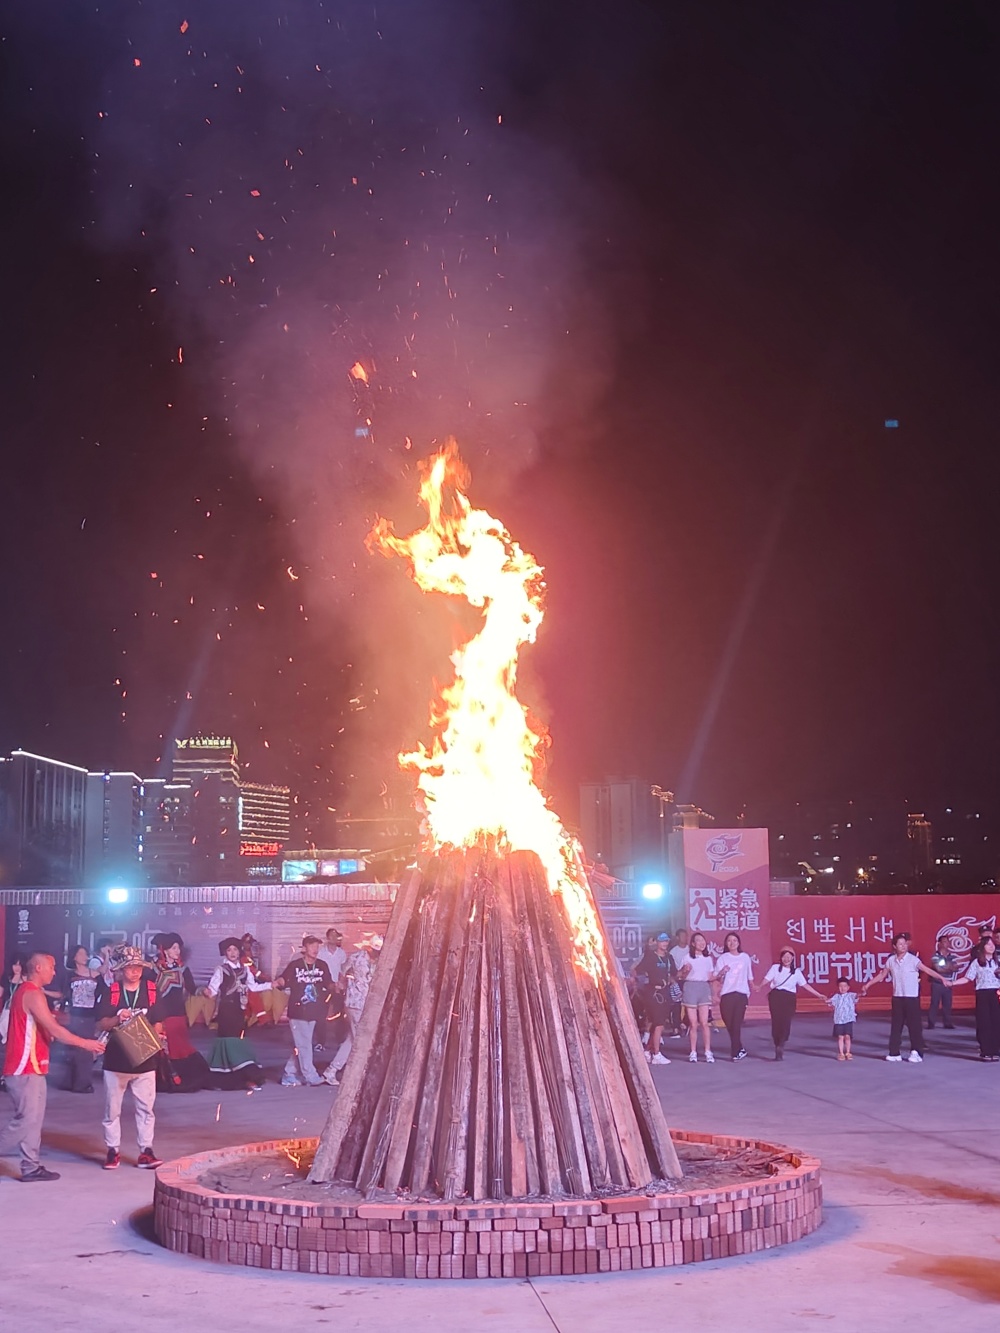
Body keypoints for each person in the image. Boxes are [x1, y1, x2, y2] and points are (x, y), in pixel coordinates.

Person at [0, 953, 104, 1181]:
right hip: (23, 1067)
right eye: (51, 967)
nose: (54, 972)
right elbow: (55, 1029)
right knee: (26, 1119)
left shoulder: (30, 993)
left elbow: (45, 1028)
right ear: (38, 968)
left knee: (33, 1120)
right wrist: (86, 1043)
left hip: (33, 1067)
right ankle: (28, 1164)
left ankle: (30, 1166)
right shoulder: (31, 993)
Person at [96, 945, 166, 1170]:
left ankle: (146, 1151)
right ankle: (112, 1150)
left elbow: (158, 1020)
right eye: (129, 968)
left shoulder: (151, 990)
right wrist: (118, 1017)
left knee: (146, 1108)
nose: (135, 971)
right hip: (116, 1061)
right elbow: (101, 1023)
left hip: (145, 1061)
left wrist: (157, 1036)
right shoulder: (112, 991)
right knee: (112, 1109)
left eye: (138, 967)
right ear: (120, 970)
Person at [862, 933, 947, 1063]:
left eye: (905, 943)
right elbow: (882, 975)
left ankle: (916, 1052)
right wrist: (868, 985)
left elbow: (927, 970)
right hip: (897, 997)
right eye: (900, 944)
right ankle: (894, 1052)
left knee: (914, 1026)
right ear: (894, 946)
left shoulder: (913, 959)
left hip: (911, 997)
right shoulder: (891, 960)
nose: (903, 946)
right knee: (896, 1026)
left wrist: (941, 978)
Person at [203, 938, 272, 1089]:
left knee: (239, 1041)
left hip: (240, 1012)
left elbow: (253, 987)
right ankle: (227, 1079)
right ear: (225, 953)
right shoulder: (221, 969)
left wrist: (271, 985)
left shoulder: (245, 969)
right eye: (229, 950)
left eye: (235, 950)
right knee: (229, 1041)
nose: (233, 953)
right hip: (226, 1011)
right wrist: (207, 992)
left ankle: (244, 1077)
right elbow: (213, 989)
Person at [149, 933, 210, 1092]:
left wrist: (203, 991)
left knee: (180, 1046)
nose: (177, 951)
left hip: (178, 1015)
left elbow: (192, 988)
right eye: (174, 948)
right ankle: (162, 1080)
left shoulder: (182, 969)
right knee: (162, 1048)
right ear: (165, 950)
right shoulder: (152, 969)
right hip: (160, 1016)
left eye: (178, 948)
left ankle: (183, 1079)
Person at [323, 933, 382, 1085]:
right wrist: (341, 986)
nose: (375, 954)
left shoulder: (381, 960)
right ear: (368, 947)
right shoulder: (356, 957)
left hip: (368, 1005)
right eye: (374, 950)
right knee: (360, 1041)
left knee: (352, 1039)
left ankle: (332, 1070)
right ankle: (357, 1075)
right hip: (355, 1004)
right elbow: (342, 973)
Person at [275, 935, 333, 1087]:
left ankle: (289, 1074)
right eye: (312, 945)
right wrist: (275, 983)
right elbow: (283, 980)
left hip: (315, 1010)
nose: (315, 949)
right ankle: (310, 1075)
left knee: (302, 1044)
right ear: (304, 948)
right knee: (304, 1044)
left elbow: (329, 983)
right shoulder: (295, 965)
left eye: (317, 946)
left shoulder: (322, 965)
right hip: (298, 1011)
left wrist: (339, 986)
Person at [760, 947, 828, 1059]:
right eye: (784, 956)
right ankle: (777, 1043)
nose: (786, 959)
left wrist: (818, 994)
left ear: (792, 958)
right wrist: (759, 986)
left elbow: (805, 985)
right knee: (776, 1021)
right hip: (776, 996)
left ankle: (781, 1043)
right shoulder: (775, 968)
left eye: (789, 957)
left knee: (786, 1022)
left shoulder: (796, 972)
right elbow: (766, 979)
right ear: (781, 958)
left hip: (789, 998)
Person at [949, 935, 1000, 1060]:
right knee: (984, 1022)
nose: (991, 946)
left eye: (993, 944)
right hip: (982, 993)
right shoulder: (977, 963)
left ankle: (995, 1049)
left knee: (996, 1021)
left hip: (996, 993)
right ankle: (986, 1050)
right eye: (988, 944)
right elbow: (968, 978)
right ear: (982, 947)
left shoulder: (997, 961)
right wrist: (952, 983)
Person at [58, 945, 101, 1092]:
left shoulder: (94, 974)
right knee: (73, 1048)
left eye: (85, 954)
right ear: (74, 957)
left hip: (89, 1015)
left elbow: (103, 992)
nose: (85, 956)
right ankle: (69, 1082)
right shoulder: (69, 976)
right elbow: (64, 995)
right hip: (74, 1015)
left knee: (87, 1049)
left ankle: (83, 1083)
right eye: (81, 954)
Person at [632, 933, 673, 1065]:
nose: (664, 943)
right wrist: (639, 983)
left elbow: (674, 974)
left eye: (666, 941)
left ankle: (648, 1051)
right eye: (662, 941)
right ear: (657, 943)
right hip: (653, 993)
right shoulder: (650, 957)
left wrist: (684, 972)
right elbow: (636, 971)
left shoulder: (669, 957)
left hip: (665, 992)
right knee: (658, 1023)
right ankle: (656, 1054)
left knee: (658, 1023)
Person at [715, 932, 754, 1061]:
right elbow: (718, 978)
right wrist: (722, 972)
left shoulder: (745, 957)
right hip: (727, 994)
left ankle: (735, 1052)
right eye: (729, 941)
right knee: (729, 1023)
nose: (732, 943)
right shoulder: (723, 958)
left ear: (738, 942)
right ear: (726, 943)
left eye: (734, 940)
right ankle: (740, 1048)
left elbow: (749, 976)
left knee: (736, 1023)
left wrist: (754, 987)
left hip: (741, 993)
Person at [677, 932, 715, 1064]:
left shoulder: (708, 959)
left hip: (703, 988)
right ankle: (693, 1051)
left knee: (704, 1023)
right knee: (693, 1023)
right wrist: (685, 970)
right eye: (698, 941)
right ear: (693, 944)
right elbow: (680, 976)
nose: (701, 943)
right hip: (690, 988)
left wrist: (721, 974)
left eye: (703, 941)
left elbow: (710, 977)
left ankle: (707, 1051)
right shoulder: (687, 957)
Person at [316, 927, 348, 1051]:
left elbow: (344, 971)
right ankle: (320, 1042)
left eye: (336, 936)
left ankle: (340, 1040)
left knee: (340, 1015)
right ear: (327, 938)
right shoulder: (321, 953)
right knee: (320, 1016)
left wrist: (341, 984)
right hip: (324, 988)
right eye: (332, 936)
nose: (334, 938)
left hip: (337, 987)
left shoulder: (341, 953)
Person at [927, 937, 958, 1029]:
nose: (946, 944)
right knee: (934, 1003)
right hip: (937, 983)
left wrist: (945, 967)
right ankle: (931, 1023)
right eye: (944, 942)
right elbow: (938, 968)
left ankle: (947, 1023)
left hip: (948, 983)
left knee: (947, 1004)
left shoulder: (952, 956)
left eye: (947, 942)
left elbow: (955, 968)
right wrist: (949, 967)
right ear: (939, 943)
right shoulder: (935, 956)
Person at [827, 977, 860, 1060]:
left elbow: (858, 995)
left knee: (848, 1036)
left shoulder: (851, 995)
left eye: (845, 986)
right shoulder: (836, 997)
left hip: (848, 1020)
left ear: (848, 987)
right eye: (840, 986)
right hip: (838, 1020)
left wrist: (863, 991)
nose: (843, 988)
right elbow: (829, 1002)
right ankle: (841, 1053)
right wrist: (824, 998)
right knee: (840, 1037)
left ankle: (848, 1052)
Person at [667, 929, 690, 1035]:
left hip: (689, 981)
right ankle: (676, 1027)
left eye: (685, 936)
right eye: (682, 936)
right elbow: (671, 969)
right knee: (676, 1004)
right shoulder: (673, 952)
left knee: (690, 1004)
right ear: (677, 938)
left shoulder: (690, 950)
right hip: (677, 981)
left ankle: (685, 1024)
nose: (684, 938)